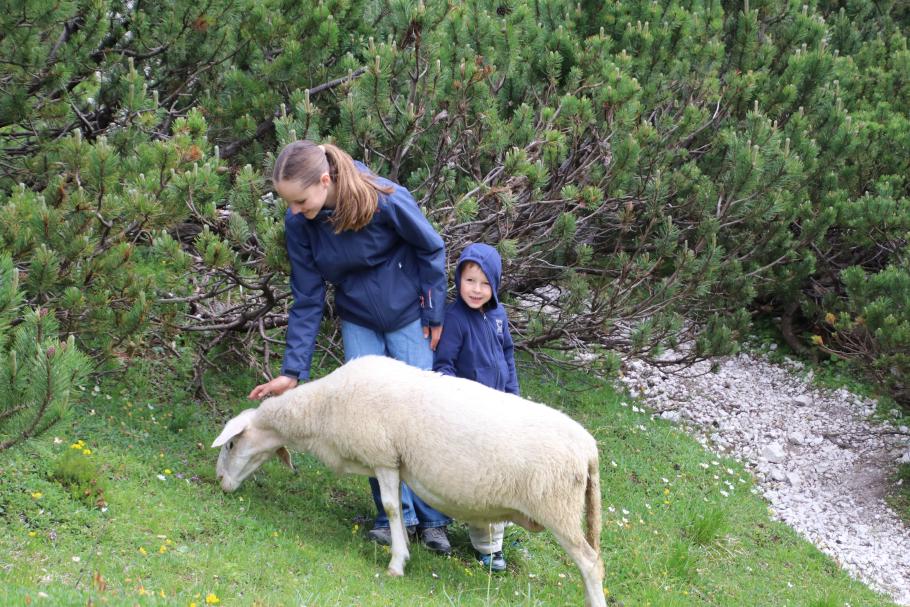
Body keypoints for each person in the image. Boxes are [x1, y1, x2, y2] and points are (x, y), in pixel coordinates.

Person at [249, 140, 452, 554]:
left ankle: (434, 520)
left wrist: (434, 314)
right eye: (288, 203)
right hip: (358, 319)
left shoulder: (383, 198)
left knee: (423, 416)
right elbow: (307, 298)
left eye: (301, 200)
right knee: (369, 420)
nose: (294, 210)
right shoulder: (300, 226)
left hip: (409, 315)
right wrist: (292, 371)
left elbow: (430, 247)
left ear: (325, 181)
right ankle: (393, 517)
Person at [433, 242, 519, 572]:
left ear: (494, 285)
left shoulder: (498, 316)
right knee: (481, 480)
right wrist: (457, 400)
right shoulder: (455, 318)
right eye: (470, 281)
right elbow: (444, 364)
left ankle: (499, 533)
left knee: (502, 475)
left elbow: (508, 356)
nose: (476, 290)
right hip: (471, 415)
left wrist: (513, 395)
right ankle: (487, 549)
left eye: (484, 283)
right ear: (458, 279)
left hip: (500, 411)